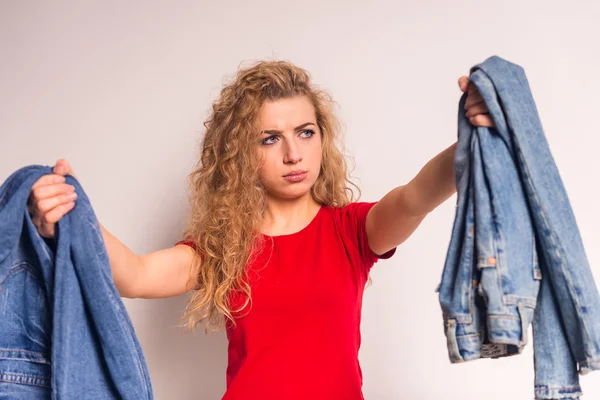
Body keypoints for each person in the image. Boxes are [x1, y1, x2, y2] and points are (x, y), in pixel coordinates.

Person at [27, 61, 493, 399]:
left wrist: (473, 133)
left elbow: (415, 197)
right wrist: (70, 211)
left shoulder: (351, 231)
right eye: (270, 138)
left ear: (321, 138)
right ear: (239, 154)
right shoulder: (224, 250)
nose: (293, 153)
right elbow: (136, 275)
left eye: (305, 132)